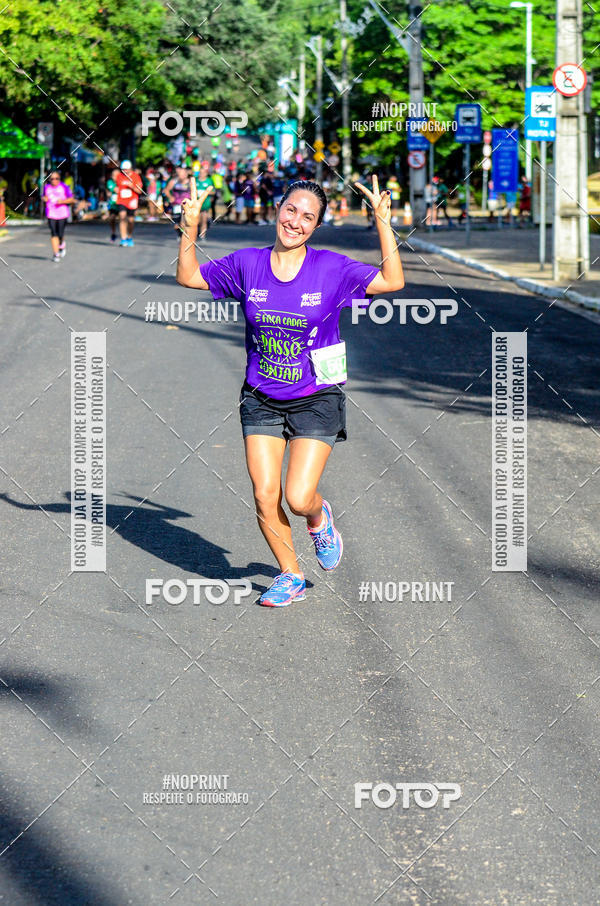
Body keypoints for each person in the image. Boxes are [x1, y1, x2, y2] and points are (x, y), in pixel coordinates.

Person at [175, 176, 404, 607]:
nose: (295, 221)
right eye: (291, 210)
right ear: (277, 210)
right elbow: (188, 277)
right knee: (265, 493)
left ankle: (319, 518)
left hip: (317, 394)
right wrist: (190, 224)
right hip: (261, 395)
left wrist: (382, 222)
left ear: (316, 227)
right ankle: (290, 574)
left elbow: (392, 282)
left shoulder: (332, 268)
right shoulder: (247, 264)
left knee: (298, 498)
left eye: (307, 217)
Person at [41, 171, 74, 262]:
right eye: (52, 179)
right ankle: (56, 254)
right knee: (53, 233)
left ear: (59, 179)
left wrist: (62, 202)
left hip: (62, 214)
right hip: (51, 213)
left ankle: (62, 244)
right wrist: (44, 199)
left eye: (56, 178)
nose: (54, 180)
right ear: (49, 180)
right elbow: (44, 197)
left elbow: (71, 199)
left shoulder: (64, 187)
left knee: (60, 234)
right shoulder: (46, 187)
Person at [115, 160, 143, 246]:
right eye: (123, 169)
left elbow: (139, 191)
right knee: (122, 216)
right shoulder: (119, 176)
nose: (125, 171)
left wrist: (132, 187)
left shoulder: (136, 176)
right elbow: (117, 186)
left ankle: (129, 237)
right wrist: (115, 189)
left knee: (130, 220)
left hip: (132, 201)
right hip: (121, 200)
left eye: (126, 169)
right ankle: (123, 238)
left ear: (130, 169)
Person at [164, 165, 192, 236]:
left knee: (185, 223)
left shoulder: (190, 182)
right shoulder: (174, 181)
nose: (180, 176)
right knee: (176, 224)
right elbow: (166, 190)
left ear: (186, 174)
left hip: (186, 206)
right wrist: (170, 197)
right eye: (179, 174)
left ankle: (184, 235)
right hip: (176, 205)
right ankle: (180, 234)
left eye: (182, 174)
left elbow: (194, 193)